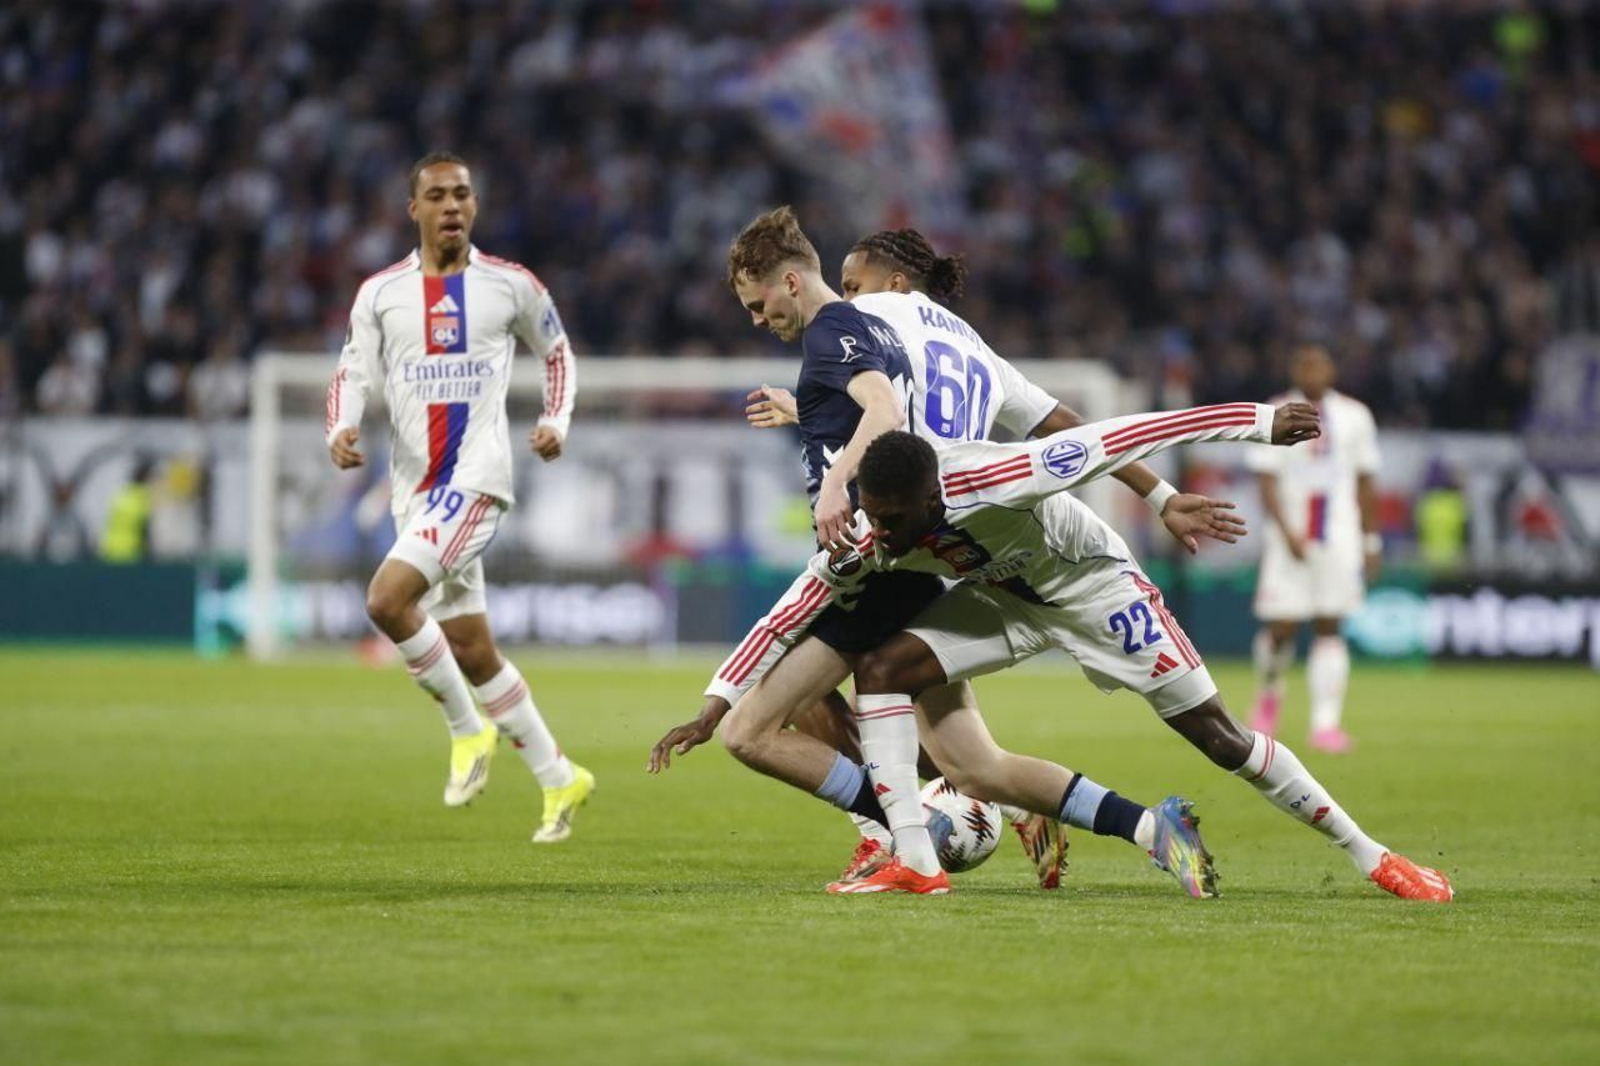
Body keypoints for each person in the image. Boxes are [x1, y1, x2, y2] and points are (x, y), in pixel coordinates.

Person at [657, 212, 1240, 889]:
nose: (758, 320)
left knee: (757, 722)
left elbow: (886, 413)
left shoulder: (848, 323)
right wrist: (808, 411)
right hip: (932, 547)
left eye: (758, 305)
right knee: (973, 765)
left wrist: (835, 483)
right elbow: (952, 416)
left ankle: (896, 835)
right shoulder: (939, 339)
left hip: (885, 559)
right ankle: (1147, 827)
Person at [719, 414, 1451, 902]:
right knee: (881, 668)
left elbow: (1123, 433)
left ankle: (1374, 855)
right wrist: (716, 703)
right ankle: (915, 862)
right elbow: (797, 603)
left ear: (932, 497)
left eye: (893, 519)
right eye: (873, 516)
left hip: (1096, 591)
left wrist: (1254, 423)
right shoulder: (875, 527)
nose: (880, 532)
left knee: (1221, 739)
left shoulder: (1004, 475)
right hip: (1006, 603)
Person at [325, 151, 594, 843]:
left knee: (387, 601)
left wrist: (555, 420)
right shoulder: (381, 293)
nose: (452, 205)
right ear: (413, 208)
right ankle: (560, 776)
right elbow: (352, 370)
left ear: (474, 205)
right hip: (415, 494)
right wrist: (341, 424)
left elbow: (557, 352)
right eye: (438, 195)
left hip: (475, 483)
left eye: (463, 194)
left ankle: (467, 728)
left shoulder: (511, 285)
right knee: (472, 649)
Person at [1247, 344, 1382, 753]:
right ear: (1294, 372)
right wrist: (1285, 530)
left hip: (1338, 536)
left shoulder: (1355, 415)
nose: (1312, 373)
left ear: (1331, 371)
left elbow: (1366, 481)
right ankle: (1269, 693)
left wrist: (1370, 539)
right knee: (1281, 628)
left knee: (1330, 624)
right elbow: (1265, 480)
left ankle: (1325, 723)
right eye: (1304, 366)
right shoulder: (1274, 410)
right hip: (1289, 536)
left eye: (1319, 365)